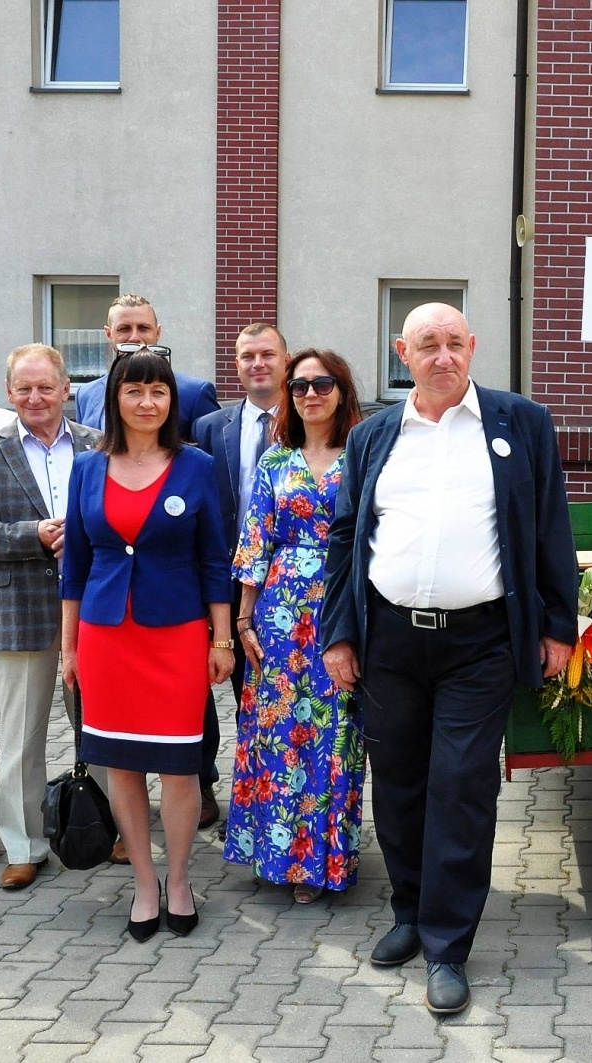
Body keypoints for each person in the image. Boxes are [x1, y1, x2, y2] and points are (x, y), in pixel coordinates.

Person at [321, 303, 578, 1016]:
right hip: (389, 641)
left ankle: (447, 945)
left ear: (473, 347)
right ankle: (409, 908)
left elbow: (551, 526)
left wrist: (560, 624)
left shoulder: (519, 422)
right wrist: (337, 632)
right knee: (399, 782)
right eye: (427, 344)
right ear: (403, 351)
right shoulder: (374, 435)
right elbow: (345, 539)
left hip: (481, 643)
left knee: (462, 786)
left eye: (454, 343)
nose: (442, 356)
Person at [60, 346, 233, 940]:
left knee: (180, 770)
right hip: (106, 636)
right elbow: (74, 569)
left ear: (171, 400)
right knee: (124, 768)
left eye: (158, 391)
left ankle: (179, 879)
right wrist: (69, 649)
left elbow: (215, 559)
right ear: (115, 398)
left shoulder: (197, 465)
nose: (146, 401)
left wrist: (223, 637)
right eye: (134, 391)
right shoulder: (87, 467)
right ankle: (141, 882)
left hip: (178, 635)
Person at [0, 344, 101, 891]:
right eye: (24, 388)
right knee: (19, 739)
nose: (35, 398)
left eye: (46, 387)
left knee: (99, 731)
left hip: (94, 615)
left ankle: (102, 830)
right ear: (8, 391)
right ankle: (24, 844)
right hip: (18, 611)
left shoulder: (97, 446)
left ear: (67, 389)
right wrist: (32, 536)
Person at [224, 346, 363, 903]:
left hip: (341, 608)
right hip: (279, 616)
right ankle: (278, 856)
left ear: (342, 391)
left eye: (323, 384)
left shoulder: (364, 455)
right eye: (300, 386)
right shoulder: (274, 462)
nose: (310, 394)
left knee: (334, 736)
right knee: (278, 734)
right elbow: (255, 543)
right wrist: (243, 618)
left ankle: (323, 862)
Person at [192, 322, 290, 828]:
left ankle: (273, 791)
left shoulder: (306, 422)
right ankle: (205, 785)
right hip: (220, 576)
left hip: (288, 581)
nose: (258, 364)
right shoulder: (210, 427)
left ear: (285, 360)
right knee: (204, 682)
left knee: (269, 690)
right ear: (236, 365)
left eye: (267, 354)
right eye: (248, 356)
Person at [72, 295, 220, 441]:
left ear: (157, 333)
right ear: (109, 334)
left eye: (143, 328)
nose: (134, 338)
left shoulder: (195, 394)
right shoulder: (86, 395)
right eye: (124, 329)